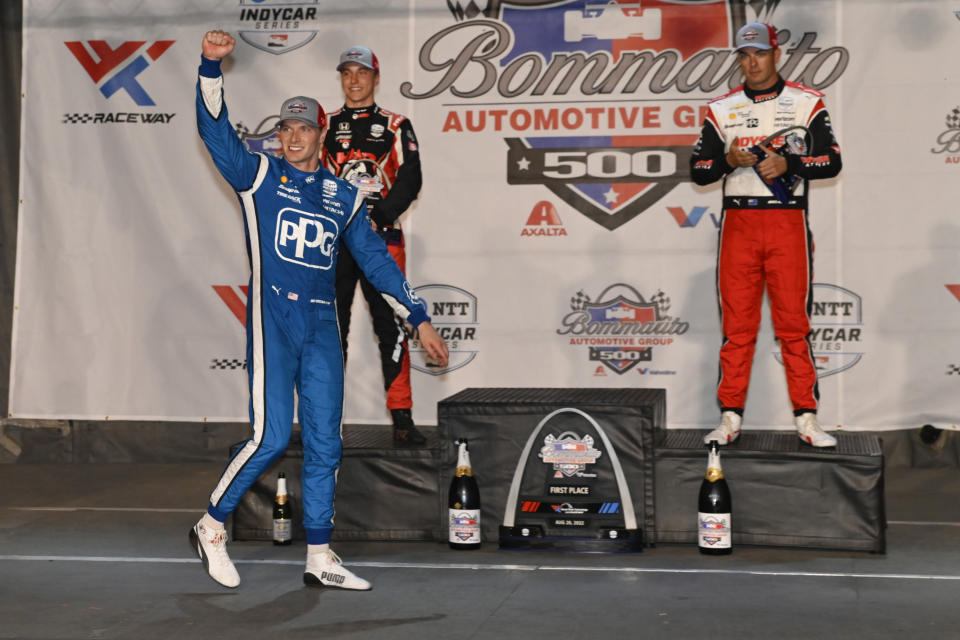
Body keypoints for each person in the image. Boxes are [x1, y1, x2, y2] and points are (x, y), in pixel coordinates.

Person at [190, 30, 449, 590]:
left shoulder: (343, 196)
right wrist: (211, 67)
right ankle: (212, 524)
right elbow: (214, 132)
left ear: (320, 135)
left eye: (305, 128)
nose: (295, 136)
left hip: (322, 330)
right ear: (279, 137)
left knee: (327, 442)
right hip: (275, 322)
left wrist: (419, 316)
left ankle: (319, 556)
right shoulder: (258, 176)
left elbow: (378, 263)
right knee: (271, 436)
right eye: (287, 128)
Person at [690, 22, 842, 448]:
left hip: (787, 221)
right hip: (738, 222)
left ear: (776, 54)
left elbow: (831, 162)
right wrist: (726, 159)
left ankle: (807, 418)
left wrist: (790, 166)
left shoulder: (806, 103)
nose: (751, 61)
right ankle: (729, 417)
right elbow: (697, 170)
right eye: (743, 54)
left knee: (793, 325)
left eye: (758, 52)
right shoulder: (721, 108)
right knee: (737, 328)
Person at [322, 46, 426, 446]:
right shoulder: (325, 124)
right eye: (347, 72)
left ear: (375, 78)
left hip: (381, 240)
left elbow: (411, 177)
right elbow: (307, 173)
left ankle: (402, 418)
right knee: (331, 332)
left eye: (361, 72)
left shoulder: (397, 124)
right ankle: (324, 420)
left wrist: (380, 215)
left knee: (393, 330)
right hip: (334, 242)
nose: (354, 80)